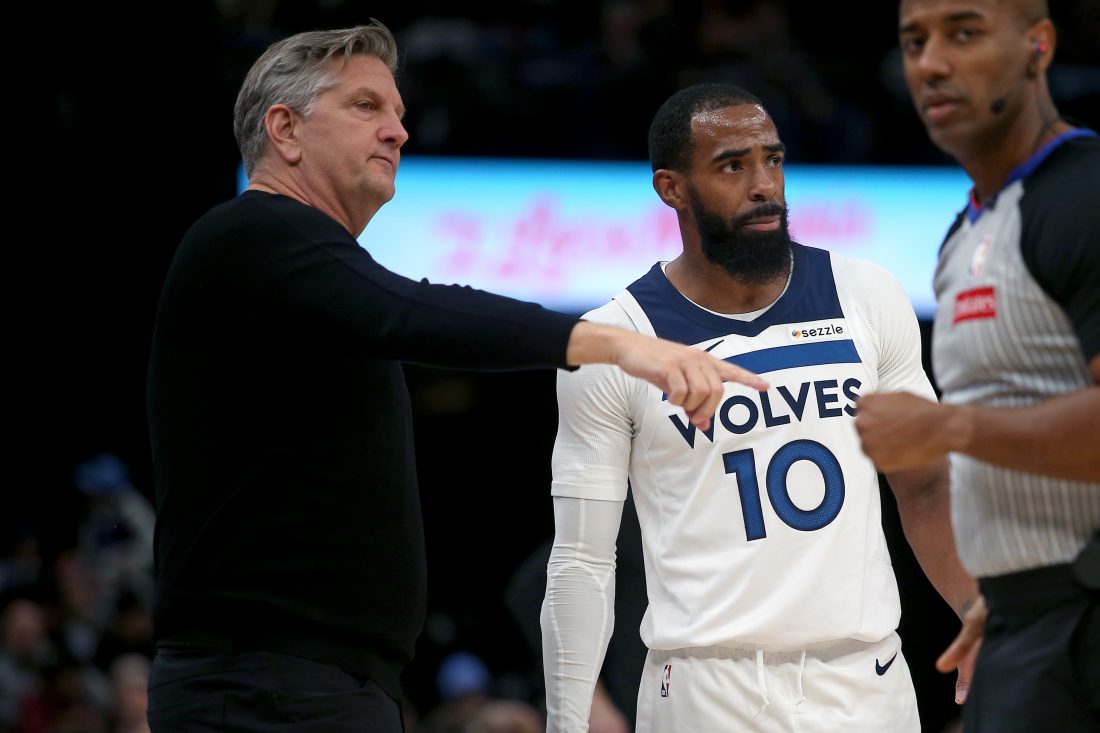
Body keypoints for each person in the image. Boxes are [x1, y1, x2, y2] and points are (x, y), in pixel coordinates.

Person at [143, 21, 768, 733]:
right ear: (284, 128)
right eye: (367, 107)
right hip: (264, 686)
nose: (398, 133)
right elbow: (413, 310)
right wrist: (622, 346)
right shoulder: (253, 233)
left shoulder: (301, 277)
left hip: (311, 683)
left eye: (400, 115)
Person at [539, 82, 979, 733]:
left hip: (866, 679)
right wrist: (566, 719)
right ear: (672, 188)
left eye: (771, 160)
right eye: (731, 165)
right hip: (702, 686)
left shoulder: (867, 294)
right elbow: (583, 558)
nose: (763, 184)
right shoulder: (616, 338)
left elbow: (924, 484)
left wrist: (977, 607)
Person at [855, 1, 1100, 731]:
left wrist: (948, 425)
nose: (932, 62)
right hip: (1030, 610)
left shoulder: (1084, 198)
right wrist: (1012, 583)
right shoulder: (962, 236)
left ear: (1037, 45)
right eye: (914, 41)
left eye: (963, 34)